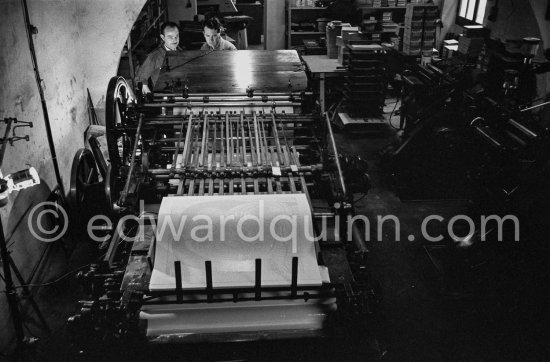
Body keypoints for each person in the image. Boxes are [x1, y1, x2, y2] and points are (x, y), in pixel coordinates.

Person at [135, 21, 182, 95]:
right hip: (163, 97)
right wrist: (150, 96)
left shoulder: (182, 53)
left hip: (181, 95)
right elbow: (141, 79)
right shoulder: (154, 56)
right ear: (163, 37)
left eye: (177, 36)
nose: (175, 40)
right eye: (170, 37)